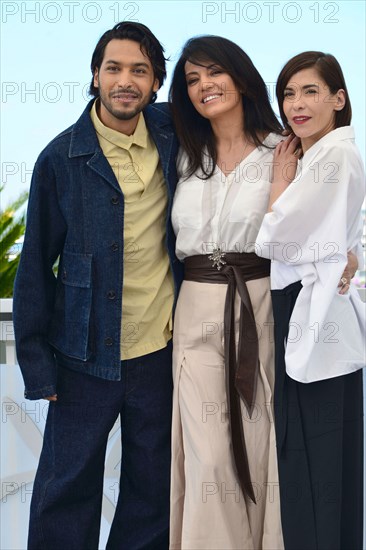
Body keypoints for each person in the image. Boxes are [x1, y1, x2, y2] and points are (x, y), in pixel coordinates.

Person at [13, 22, 183, 550]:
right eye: (114, 68)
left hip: (159, 354)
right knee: (67, 488)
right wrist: (39, 368)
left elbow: (241, 129)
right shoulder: (59, 158)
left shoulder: (173, 135)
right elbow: (35, 269)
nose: (125, 81)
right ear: (94, 76)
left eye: (140, 70)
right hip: (82, 359)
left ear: (156, 83)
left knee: (153, 491)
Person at [168, 35, 285, 550]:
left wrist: (345, 252)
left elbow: (321, 219)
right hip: (194, 310)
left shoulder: (284, 148)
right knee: (209, 454)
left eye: (213, 72)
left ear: (240, 76)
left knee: (260, 442)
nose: (203, 86)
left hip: (260, 304)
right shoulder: (180, 154)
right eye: (192, 79)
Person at [256, 51, 365, 549]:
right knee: (328, 466)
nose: (296, 104)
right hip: (318, 316)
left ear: (339, 100)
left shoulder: (333, 155)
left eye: (311, 91)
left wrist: (279, 183)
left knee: (311, 464)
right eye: (288, 93)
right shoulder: (322, 154)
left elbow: (275, 239)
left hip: (312, 316)